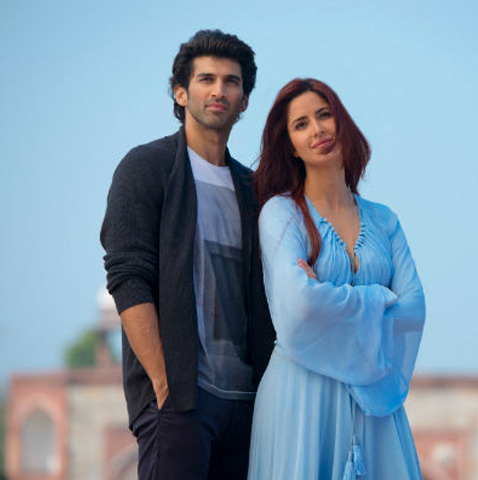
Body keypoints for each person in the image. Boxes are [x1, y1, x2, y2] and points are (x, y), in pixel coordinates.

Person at [100, 29, 274, 480]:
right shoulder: (148, 167)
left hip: (248, 405)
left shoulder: (255, 190)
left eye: (232, 82)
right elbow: (127, 275)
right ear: (181, 92)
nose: (220, 90)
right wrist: (166, 386)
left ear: (245, 99)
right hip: (182, 400)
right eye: (206, 79)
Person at [248, 78, 426, 479]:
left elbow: (414, 308)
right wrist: (381, 297)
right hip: (302, 396)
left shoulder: (385, 220)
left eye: (324, 115)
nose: (318, 130)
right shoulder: (281, 215)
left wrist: (328, 297)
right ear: (290, 145)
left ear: (342, 122)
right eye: (301, 124)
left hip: (376, 402)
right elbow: (298, 305)